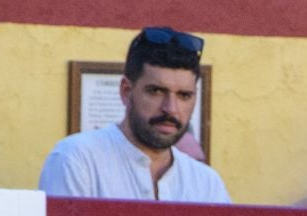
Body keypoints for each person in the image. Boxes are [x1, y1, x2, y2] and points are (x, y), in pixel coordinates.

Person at [38, 26, 229, 203]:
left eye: (184, 95)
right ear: (126, 91)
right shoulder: (77, 160)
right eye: (156, 91)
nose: (171, 108)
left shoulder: (207, 184)